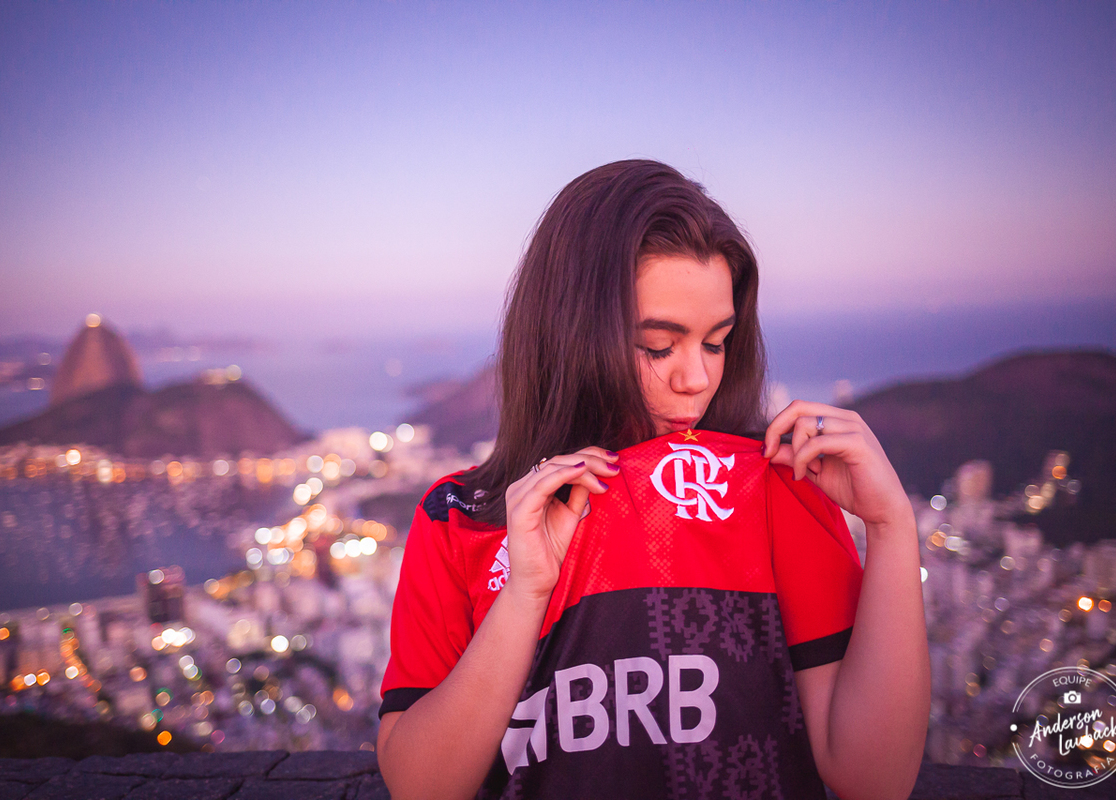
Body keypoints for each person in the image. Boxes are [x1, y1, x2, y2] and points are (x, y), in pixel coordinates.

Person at [375, 160, 930, 800]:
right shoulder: (460, 517)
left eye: (716, 342)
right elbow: (420, 786)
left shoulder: (775, 487)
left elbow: (874, 780)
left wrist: (891, 524)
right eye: (659, 346)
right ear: (570, 337)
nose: (696, 379)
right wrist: (525, 593)